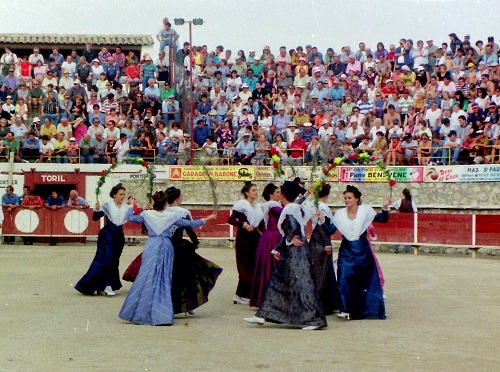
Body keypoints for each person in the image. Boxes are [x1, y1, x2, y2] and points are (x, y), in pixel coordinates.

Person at [118, 191, 216, 326]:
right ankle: (161, 313)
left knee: (146, 276)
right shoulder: (172, 216)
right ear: (165, 203)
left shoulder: (147, 214)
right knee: (163, 278)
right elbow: (189, 224)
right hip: (165, 245)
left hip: (151, 245)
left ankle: (139, 311)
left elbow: (131, 218)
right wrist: (207, 219)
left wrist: (131, 205)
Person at [244, 181, 327, 330]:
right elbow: (298, 203)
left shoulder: (289, 209)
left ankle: (315, 320)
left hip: (295, 254)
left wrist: (287, 241)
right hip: (297, 251)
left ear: (282, 194)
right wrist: (279, 247)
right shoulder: (294, 207)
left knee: (298, 285)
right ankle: (263, 314)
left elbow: (292, 230)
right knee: (280, 283)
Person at [321, 185, 390, 320]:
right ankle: (345, 309)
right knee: (343, 278)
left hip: (362, 251)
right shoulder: (340, 214)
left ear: (357, 199)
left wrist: (385, 207)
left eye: (349, 198)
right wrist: (322, 220)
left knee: (364, 280)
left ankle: (365, 310)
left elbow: (383, 219)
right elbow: (330, 230)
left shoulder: (366, 211)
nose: (346, 200)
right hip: (346, 251)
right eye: (345, 198)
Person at [75, 183, 131, 296]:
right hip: (107, 235)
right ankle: (104, 285)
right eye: (120, 194)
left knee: (114, 260)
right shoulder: (108, 205)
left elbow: (133, 218)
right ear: (114, 195)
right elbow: (95, 218)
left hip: (119, 235)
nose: (122, 196)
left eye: (123, 194)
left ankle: (105, 285)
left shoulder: (126, 207)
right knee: (106, 259)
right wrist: (96, 210)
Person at [228, 181, 264, 305]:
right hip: (244, 237)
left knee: (253, 265)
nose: (256, 192)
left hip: (254, 237)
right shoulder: (242, 205)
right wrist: (243, 224)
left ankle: (240, 294)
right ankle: (249, 294)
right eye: (253, 190)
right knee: (246, 265)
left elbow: (261, 225)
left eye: (256, 190)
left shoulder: (258, 207)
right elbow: (231, 220)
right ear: (247, 193)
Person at [308, 183, 340, 315]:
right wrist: (327, 243)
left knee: (317, 271)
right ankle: (326, 303)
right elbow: (324, 227)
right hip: (322, 241)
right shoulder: (324, 207)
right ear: (327, 195)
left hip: (314, 240)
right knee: (325, 272)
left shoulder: (312, 205)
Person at [249, 183, 283, 308]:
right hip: (273, 238)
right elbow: (287, 213)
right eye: (277, 192)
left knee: (266, 268)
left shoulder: (265, 206)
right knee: (273, 267)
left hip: (267, 237)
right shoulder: (272, 205)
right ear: (271, 194)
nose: (279, 194)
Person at [392, 188, 417, 253]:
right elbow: (415, 211)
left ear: (403, 194)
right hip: (409, 221)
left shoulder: (400, 201)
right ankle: (407, 248)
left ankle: (396, 248)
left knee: (399, 234)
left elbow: (394, 205)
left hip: (401, 220)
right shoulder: (412, 202)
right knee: (407, 234)